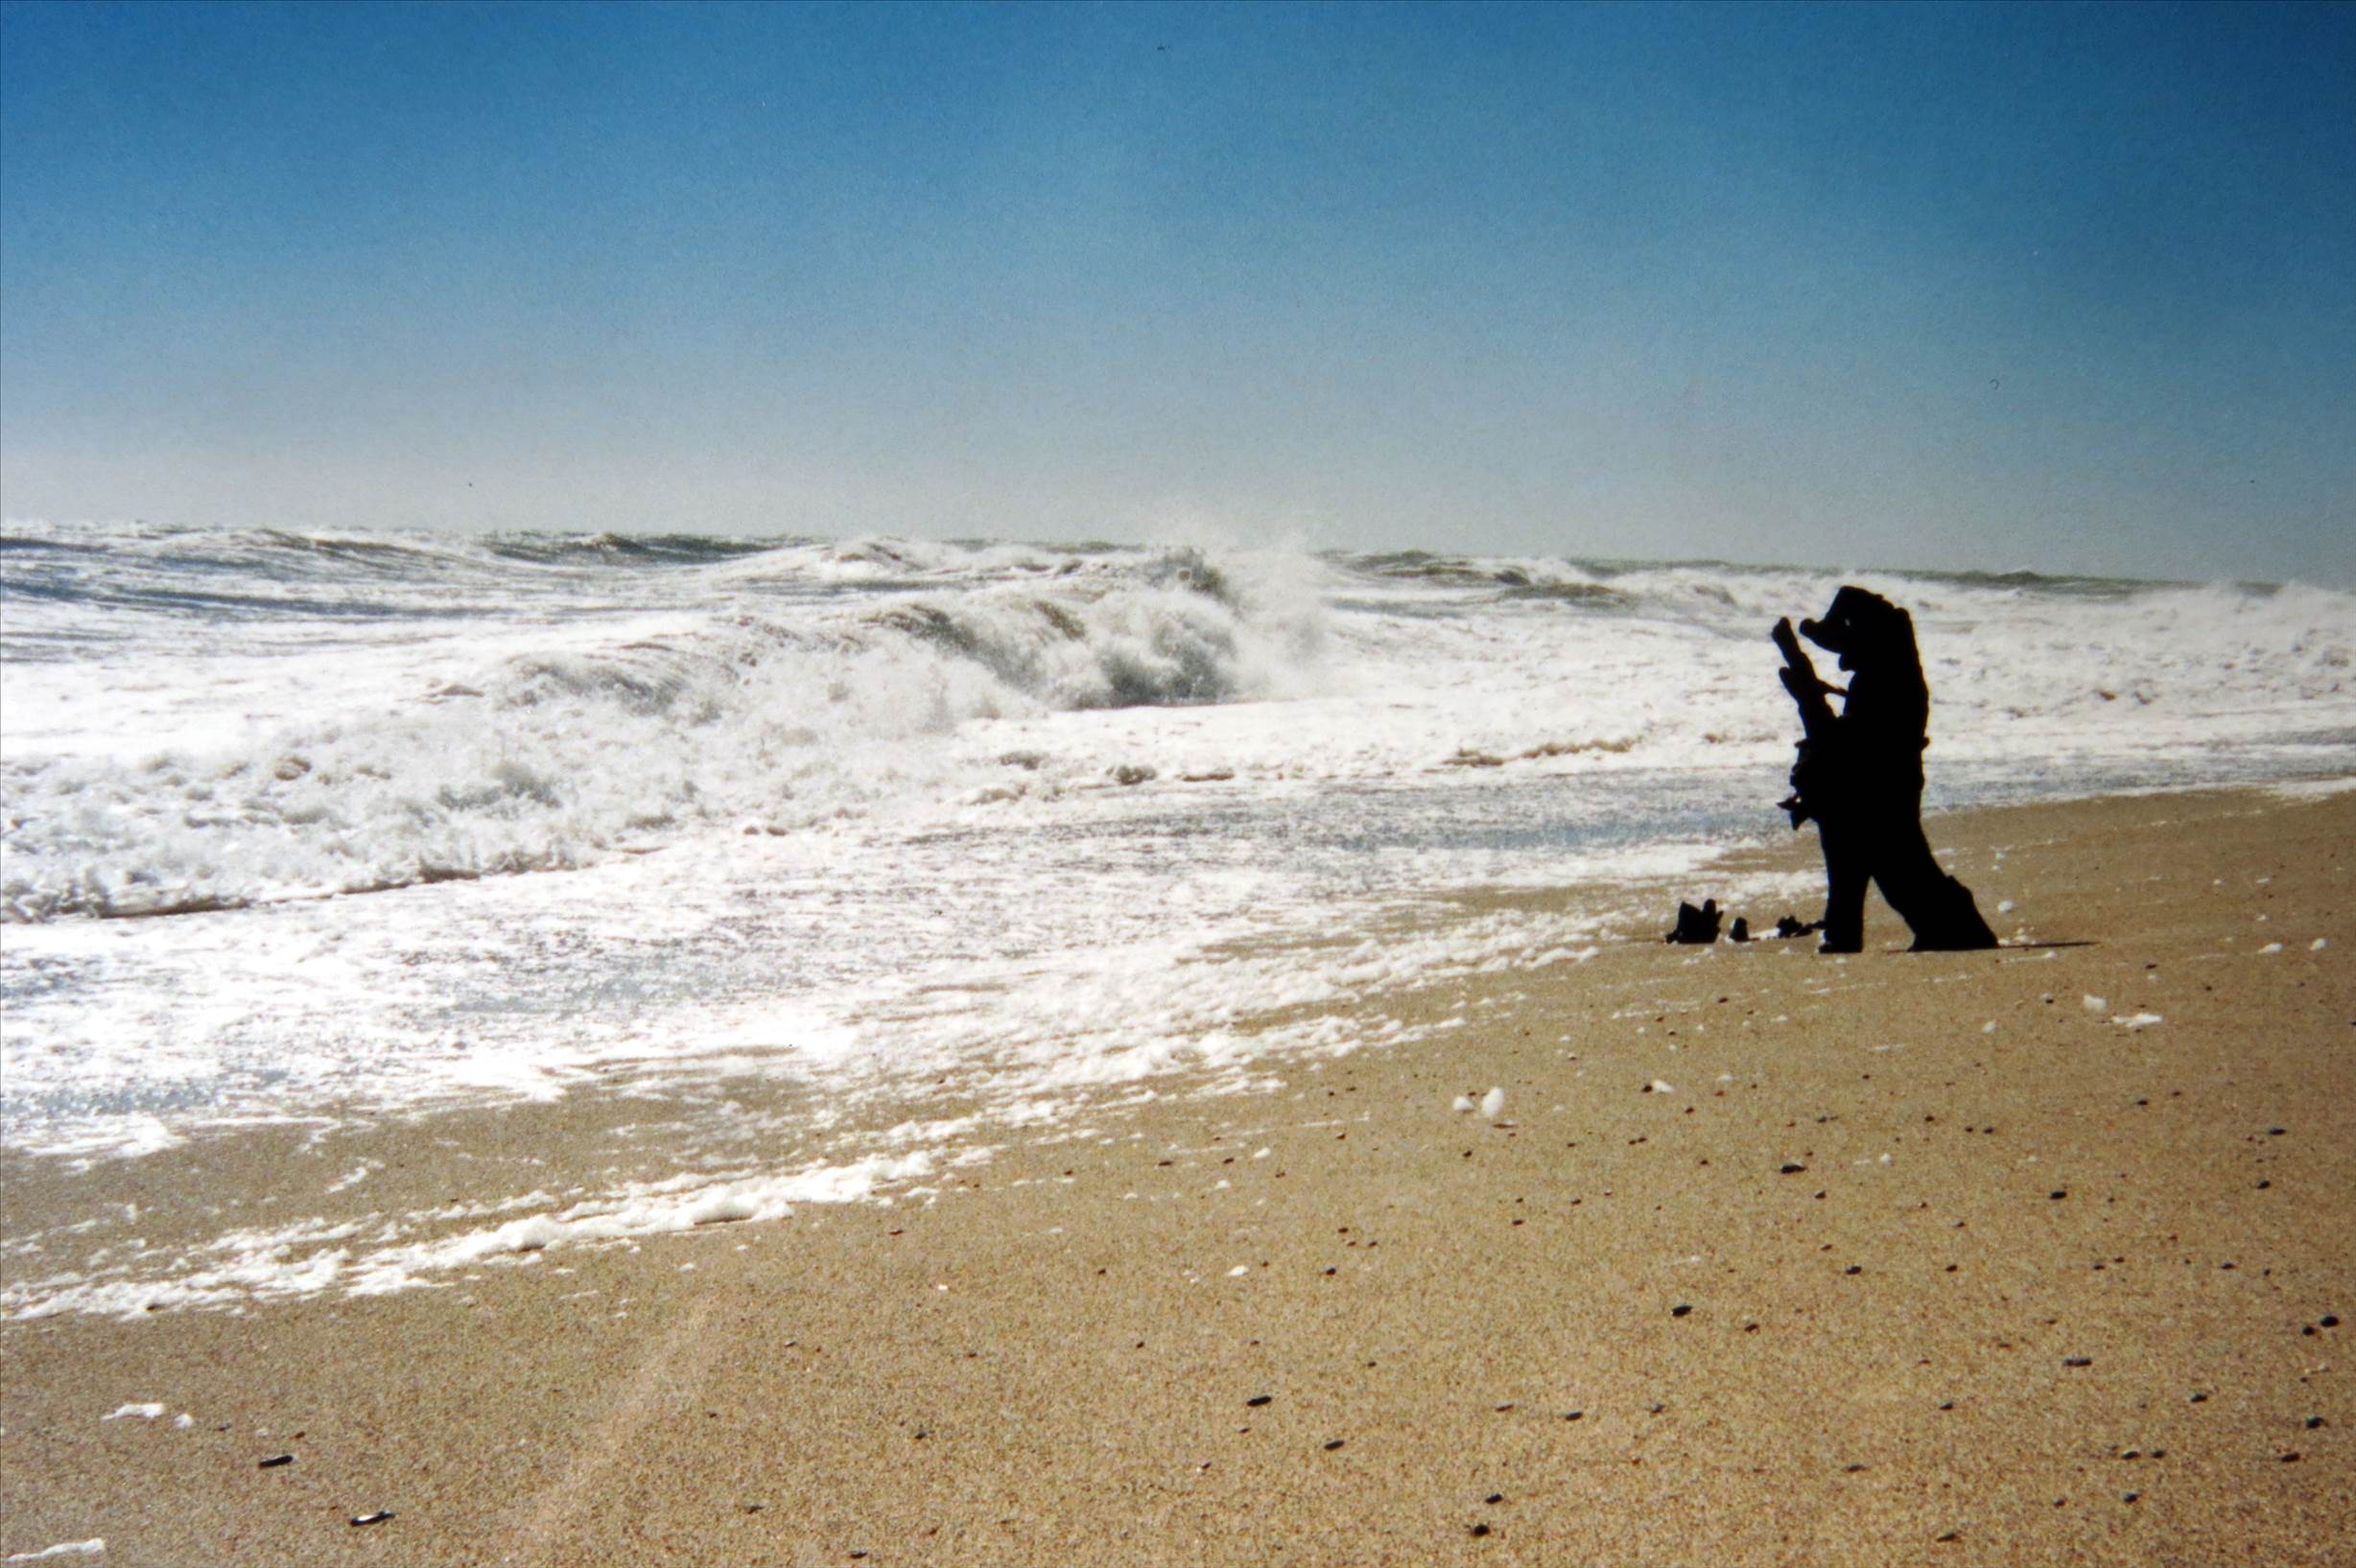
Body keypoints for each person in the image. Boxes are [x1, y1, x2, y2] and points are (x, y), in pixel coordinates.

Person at [1774, 587, 1997, 952]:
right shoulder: (1890, 669)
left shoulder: (1889, 676)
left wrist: (1809, 702)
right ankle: (1845, 930)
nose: (1843, 657)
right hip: (1879, 783)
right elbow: (1852, 743)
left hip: (1883, 785)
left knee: (1894, 863)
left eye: (1847, 644)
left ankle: (1943, 928)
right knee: (1875, 854)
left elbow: (1858, 743)